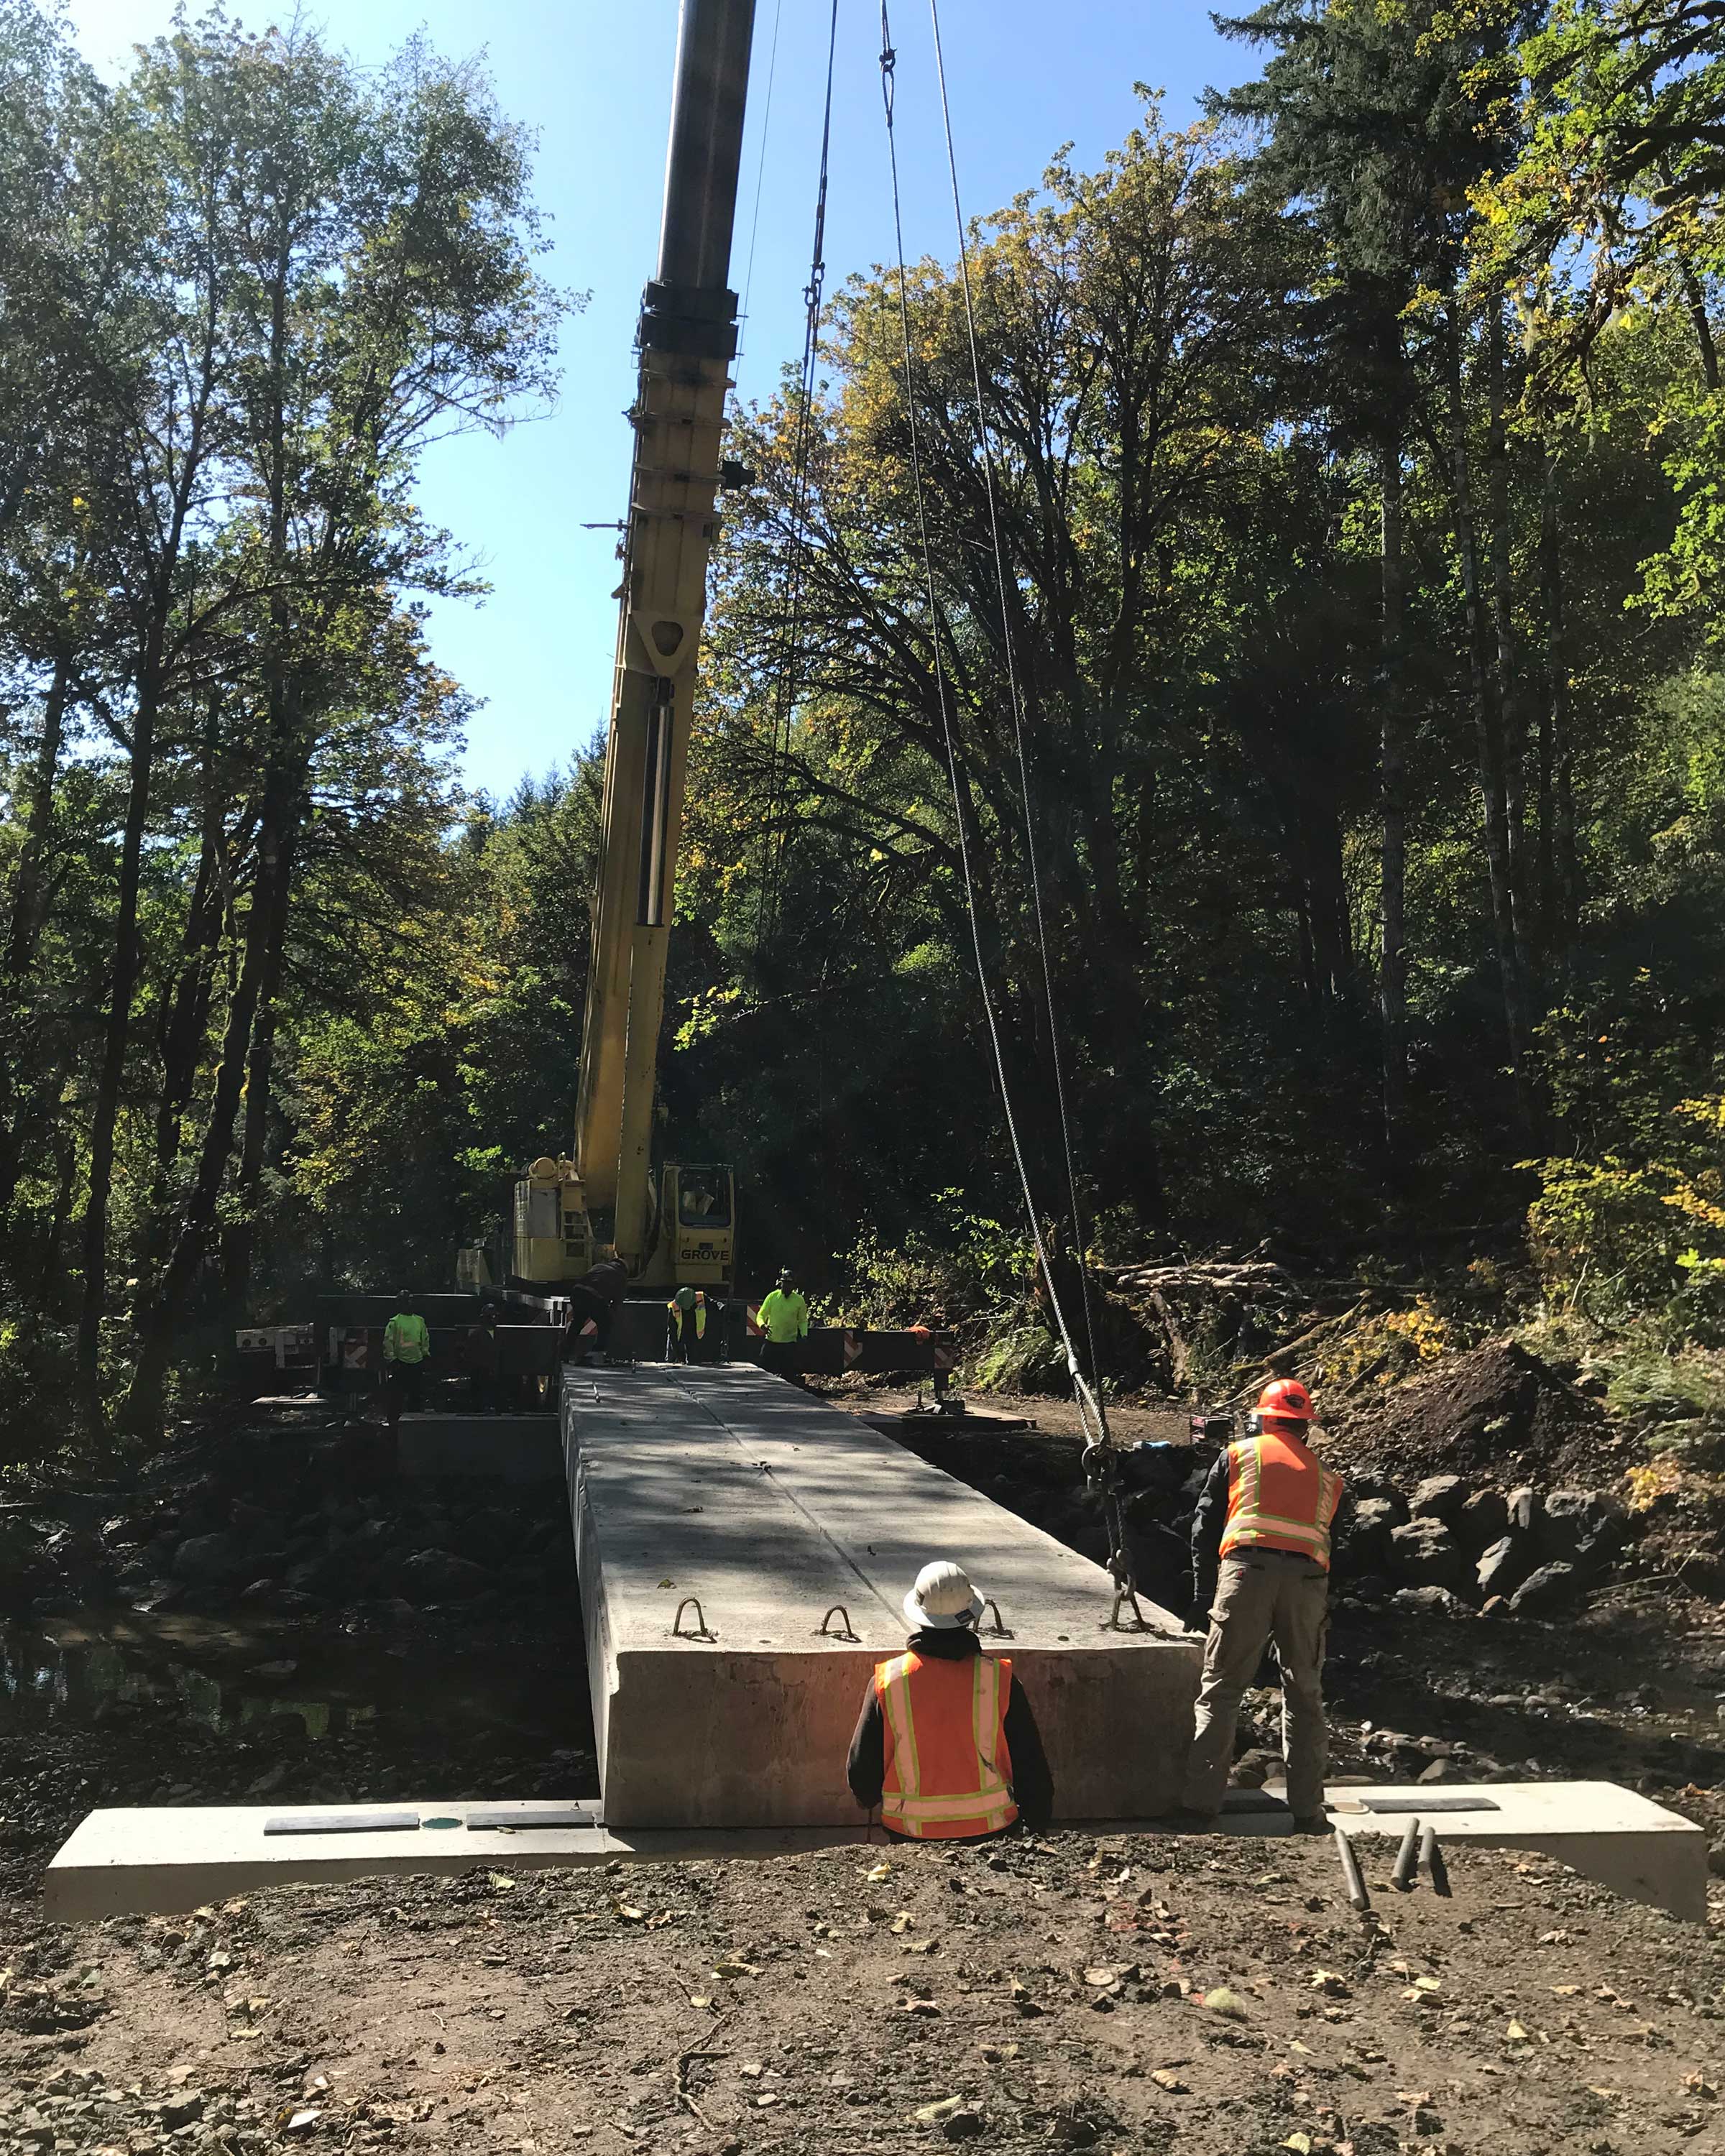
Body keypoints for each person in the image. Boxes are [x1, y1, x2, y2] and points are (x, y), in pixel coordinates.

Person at [1172, 1377, 1346, 1833]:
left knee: (1222, 1689)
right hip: (1308, 1583)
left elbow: (1205, 1526)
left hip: (1246, 1573)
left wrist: (1202, 1595)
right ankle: (1308, 1812)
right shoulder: (1328, 1478)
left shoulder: (1239, 1455)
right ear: (1304, 1426)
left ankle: (1198, 1807)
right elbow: (1331, 1543)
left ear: (1263, 1418)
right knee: (1304, 1692)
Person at [847, 1560, 1052, 1839]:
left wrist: (868, 1798)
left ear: (918, 1614)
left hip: (910, 1832)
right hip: (991, 1830)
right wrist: (1036, 1824)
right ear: (970, 1615)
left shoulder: (888, 1681)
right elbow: (1031, 1764)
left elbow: (861, 1771)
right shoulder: (999, 1681)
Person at [566, 1250, 629, 1364]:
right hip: (594, 1297)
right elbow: (616, 1303)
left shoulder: (598, 1266)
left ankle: (565, 1353)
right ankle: (597, 1353)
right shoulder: (621, 1277)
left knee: (577, 1323)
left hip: (577, 1292)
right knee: (606, 1323)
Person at [382, 1293, 431, 1431]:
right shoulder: (394, 1322)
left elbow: (425, 1339)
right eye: (406, 1301)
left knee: (416, 1394)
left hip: (417, 1362)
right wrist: (392, 1360)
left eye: (410, 1301)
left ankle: (414, 1420)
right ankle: (394, 1422)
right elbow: (388, 1342)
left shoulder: (420, 1321)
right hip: (400, 1364)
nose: (409, 1304)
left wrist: (425, 1355)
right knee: (397, 1395)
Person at [755, 1268, 809, 1381]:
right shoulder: (772, 1297)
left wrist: (804, 1335)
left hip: (789, 1344)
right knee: (763, 1373)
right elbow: (761, 1315)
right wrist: (762, 1325)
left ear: (793, 1285)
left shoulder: (799, 1301)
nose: (785, 1286)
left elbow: (803, 1320)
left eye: (789, 1284)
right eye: (784, 1283)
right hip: (771, 1342)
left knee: (788, 1375)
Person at [666, 1284, 706, 1363]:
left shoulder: (700, 1298)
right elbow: (672, 1333)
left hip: (694, 1334)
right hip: (679, 1336)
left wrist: (722, 1307)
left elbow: (714, 1304)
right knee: (673, 1360)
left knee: (694, 1360)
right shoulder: (674, 1307)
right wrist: (678, 1355)